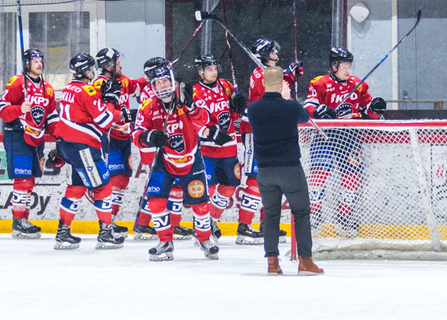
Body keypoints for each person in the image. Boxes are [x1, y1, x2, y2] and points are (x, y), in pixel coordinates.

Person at [135, 61, 218, 262]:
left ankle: (204, 240)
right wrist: (150, 137)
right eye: (157, 83)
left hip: (191, 160)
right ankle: (165, 242)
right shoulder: (148, 106)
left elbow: (205, 120)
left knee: (201, 205)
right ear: (153, 86)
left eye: (165, 81)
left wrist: (190, 106)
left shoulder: (188, 99)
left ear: (172, 82)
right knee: (155, 203)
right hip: (163, 161)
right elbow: (136, 133)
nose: (162, 86)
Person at [246, 66, 321, 276]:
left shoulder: (253, 109)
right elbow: (305, 116)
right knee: (302, 213)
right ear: (282, 84)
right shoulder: (290, 108)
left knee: (270, 216)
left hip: (265, 171)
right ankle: (305, 261)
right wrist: (288, 99)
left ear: (262, 84)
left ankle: (272, 262)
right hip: (290, 169)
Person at [303, 47, 385, 237]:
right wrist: (319, 111)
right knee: (318, 177)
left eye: (350, 66)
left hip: (349, 136)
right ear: (334, 65)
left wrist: (375, 110)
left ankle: (344, 219)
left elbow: (367, 114)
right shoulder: (319, 83)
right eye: (344, 66)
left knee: (351, 179)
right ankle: (314, 218)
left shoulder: (358, 84)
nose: (348, 70)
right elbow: (307, 107)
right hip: (324, 136)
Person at [50, 53, 124, 250]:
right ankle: (106, 233)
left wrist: (105, 98)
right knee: (103, 187)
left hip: (68, 146)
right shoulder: (86, 91)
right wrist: (112, 103)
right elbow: (104, 120)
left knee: (76, 186)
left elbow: (83, 111)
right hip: (84, 146)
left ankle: (63, 233)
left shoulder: (68, 89)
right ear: (87, 70)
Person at [0, 48, 58, 239]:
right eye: (35, 61)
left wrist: (59, 135)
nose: (39, 64)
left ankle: (24, 218)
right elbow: (2, 109)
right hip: (18, 135)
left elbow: (52, 115)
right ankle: (18, 222)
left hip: (37, 138)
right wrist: (18, 108)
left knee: (30, 181)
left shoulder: (47, 87)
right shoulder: (17, 83)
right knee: (22, 180)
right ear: (26, 64)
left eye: (41, 60)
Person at [92, 47, 146, 237]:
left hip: (125, 139)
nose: (121, 65)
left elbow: (137, 85)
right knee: (113, 181)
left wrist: (152, 75)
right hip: (109, 140)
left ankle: (112, 220)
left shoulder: (122, 80)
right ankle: (105, 224)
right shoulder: (99, 84)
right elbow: (97, 113)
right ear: (108, 66)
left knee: (123, 181)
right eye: (117, 62)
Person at [189, 55, 243, 241]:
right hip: (206, 149)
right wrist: (209, 133)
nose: (214, 72)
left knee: (230, 187)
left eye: (215, 68)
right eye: (209, 69)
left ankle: (211, 219)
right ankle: (202, 227)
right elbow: (191, 121)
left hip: (229, 147)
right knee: (208, 189)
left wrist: (238, 108)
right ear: (201, 72)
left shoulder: (226, 86)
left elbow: (231, 116)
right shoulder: (194, 92)